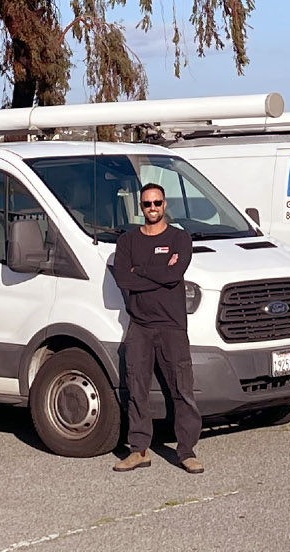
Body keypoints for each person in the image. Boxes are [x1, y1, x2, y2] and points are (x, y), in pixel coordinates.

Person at [111, 183, 203, 474]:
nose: (152, 208)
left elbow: (175, 274)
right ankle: (139, 450)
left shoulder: (180, 238)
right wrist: (159, 272)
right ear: (141, 207)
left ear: (165, 205)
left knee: (182, 390)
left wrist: (142, 270)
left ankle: (186, 451)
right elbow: (124, 279)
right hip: (139, 326)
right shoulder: (127, 242)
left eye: (157, 203)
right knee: (136, 388)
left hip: (171, 326)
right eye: (147, 204)